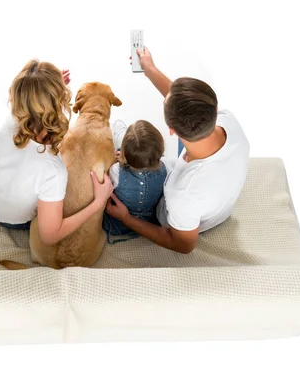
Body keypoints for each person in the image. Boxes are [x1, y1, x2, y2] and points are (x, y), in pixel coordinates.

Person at [106, 48, 250, 254]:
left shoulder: (182, 194)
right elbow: (186, 106)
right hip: (218, 201)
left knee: (123, 146)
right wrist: (151, 70)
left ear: (170, 130)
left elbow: (183, 245)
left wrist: (126, 218)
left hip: (183, 216)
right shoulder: (229, 121)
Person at [0, 59, 113, 246]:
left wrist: (47, 88)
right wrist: (98, 203)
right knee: (53, 197)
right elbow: (49, 236)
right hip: (13, 219)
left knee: (3, 162)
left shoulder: (11, 121)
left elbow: (28, 94)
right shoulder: (53, 170)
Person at [102, 120, 168, 244]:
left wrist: (115, 159)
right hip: (149, 222)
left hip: (118, 225)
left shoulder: (115, 171)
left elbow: (107, 185)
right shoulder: (166, 168)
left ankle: (121, 134)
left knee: (117, 125)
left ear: (124, 155)